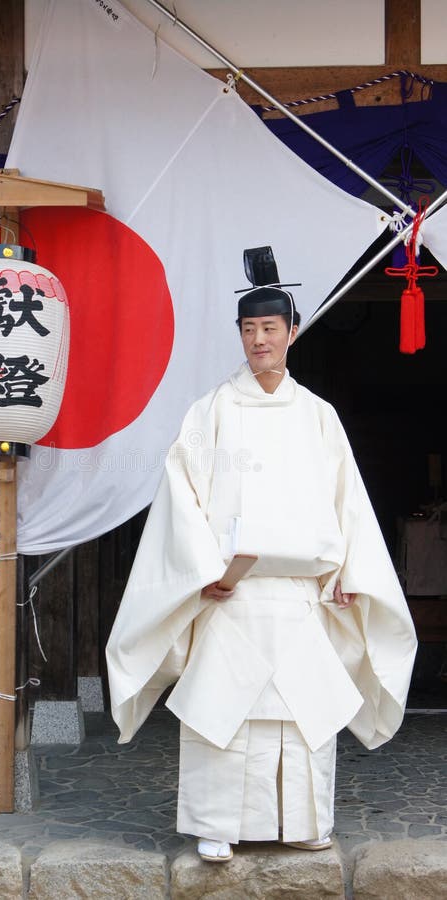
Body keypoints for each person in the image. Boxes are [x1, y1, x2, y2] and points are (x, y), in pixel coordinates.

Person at [105, 283, 417, 863]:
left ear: (292, 333)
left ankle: (305, 820)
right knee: (224, 707)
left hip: (300, 596)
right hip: (233, 596)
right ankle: (214, 824)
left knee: (302, 711)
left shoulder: (319, 417)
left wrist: (347, 568)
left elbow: (347, 500)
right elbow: (182, 494)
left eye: (270, 329)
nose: (259, 340)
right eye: (249, 330)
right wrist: (202, 571)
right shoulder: (212, 411)